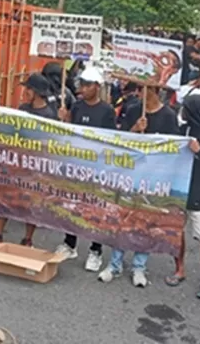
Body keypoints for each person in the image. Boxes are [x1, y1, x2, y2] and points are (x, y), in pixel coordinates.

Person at [99, 79, 178, 287]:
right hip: (130, 173)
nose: (141, 94)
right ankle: (115, 264)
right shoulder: (133, 110)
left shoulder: (169, 116)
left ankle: (139, 266)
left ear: (156, 91)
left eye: (146, 90)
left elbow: (174, 148)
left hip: (153, 177)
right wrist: (135, 129)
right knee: (123, 218)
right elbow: (122, 139)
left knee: (145, 220)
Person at [55, 67, 116, 272]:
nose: (83, 88)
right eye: (82, 84)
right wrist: (65, 118)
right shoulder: (78, 106)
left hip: (96, 168)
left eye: (88, 85)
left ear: (97, 87)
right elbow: (71, 131)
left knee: (94, 210)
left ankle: (95, 250)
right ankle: (70, 244)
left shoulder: (106, 111)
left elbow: (110, 139)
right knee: (72, 206)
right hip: (76, 166)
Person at [0, 73, 57, 247]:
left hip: (35, 166)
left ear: (35, 91)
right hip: (17, 163)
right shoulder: (23, 109)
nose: (25, 92)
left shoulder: (49, 115)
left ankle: (27, 239)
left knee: (31, 204)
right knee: (6, 198)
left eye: (28, 88)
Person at [165, 95, 200, 300]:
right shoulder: (185, 130)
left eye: (186, 108)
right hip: (181, 190)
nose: (183, 111)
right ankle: (179, 269)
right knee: (177, 233)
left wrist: (199, 152)